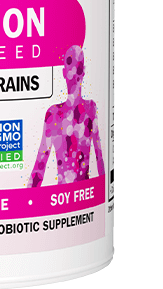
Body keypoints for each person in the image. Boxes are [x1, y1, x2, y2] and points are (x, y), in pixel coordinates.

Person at [27, 45, 105, 187]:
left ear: (83, 72)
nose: (74, 71)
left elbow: (100, 159)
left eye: (78, 67)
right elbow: (39, 167)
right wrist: (26, 198)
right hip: (62, 194)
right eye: (70, 64)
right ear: (64, 72)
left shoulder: (90, 109)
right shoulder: (53, 115)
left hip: (85, 193)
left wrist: (104, 190)